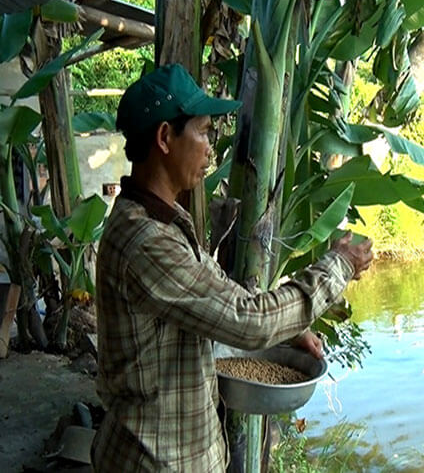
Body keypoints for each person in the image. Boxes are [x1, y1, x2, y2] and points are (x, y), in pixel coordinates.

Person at [91, 63, 373, 472]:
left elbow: (226, 299)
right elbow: (248, 320)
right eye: (203, 131)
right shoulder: (145, 242)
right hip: (154, 460)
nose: (210, 148)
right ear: (165, 138)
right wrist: (338, 267)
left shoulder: (163, 222)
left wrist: (290, 329)